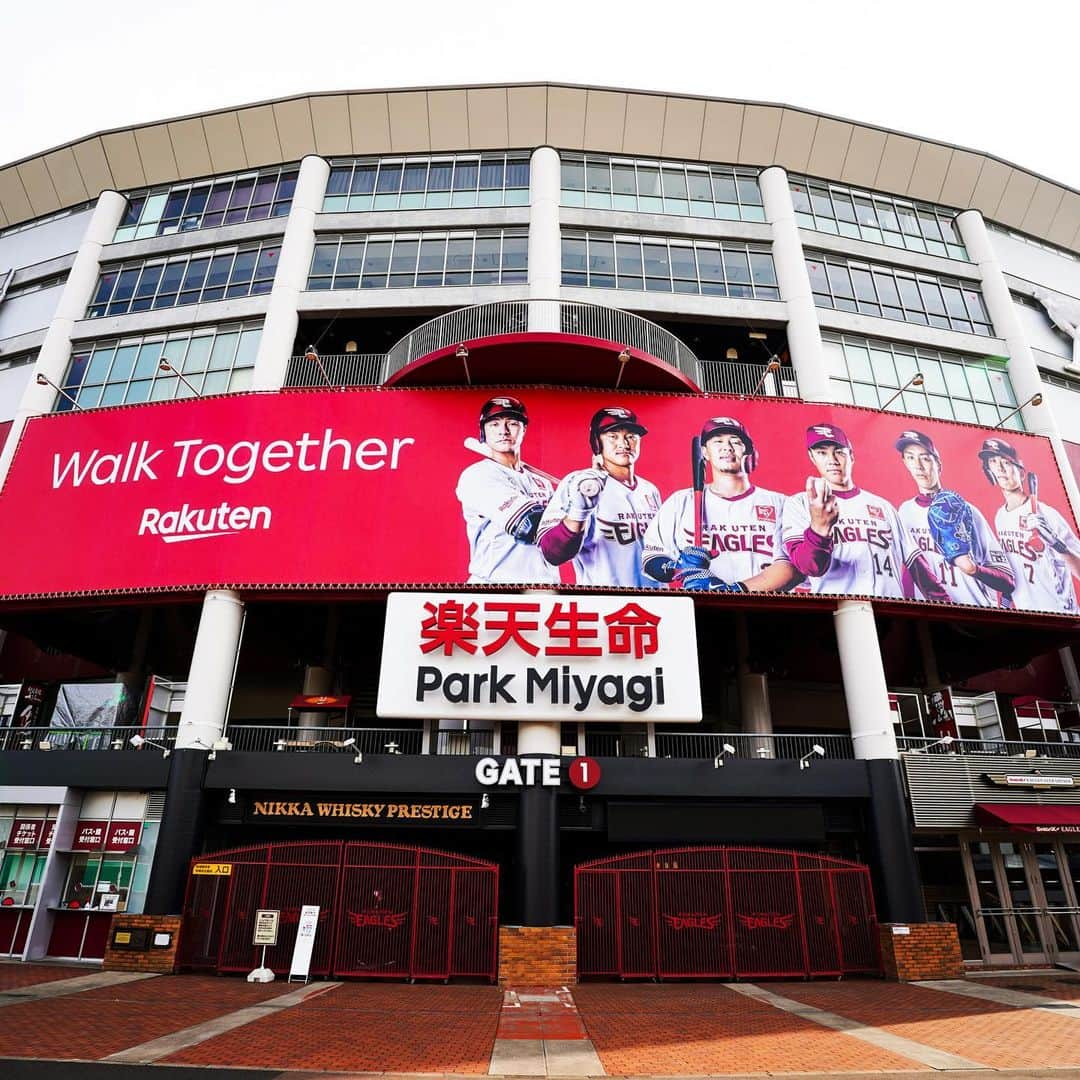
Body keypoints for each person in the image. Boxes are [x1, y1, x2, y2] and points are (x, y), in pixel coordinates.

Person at [782, 423, 947, 601]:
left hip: (891, 611)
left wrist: (948, 607)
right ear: (812, 457)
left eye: (839, 451)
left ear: (851, 455)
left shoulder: (883, 506)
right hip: (842, 613)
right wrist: (819, 529)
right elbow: (810, 567)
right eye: (822, 452)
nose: (832, 460)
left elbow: (918, 565)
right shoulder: (799, 504)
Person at [642, 416, 800, 592]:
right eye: (718, 441)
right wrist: (677, 567)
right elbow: (651, 559)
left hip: (770, 606)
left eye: (735, 442)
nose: (727, 447)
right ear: (704, 452)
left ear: (747, 451)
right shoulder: (681, 502)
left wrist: (731, 590)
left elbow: (795, 568)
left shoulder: (780, 504)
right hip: (703, 607)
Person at [537, 407, 662, 587]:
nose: (624, 443)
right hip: (605, 602)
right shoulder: (578, 483)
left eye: (631, 436)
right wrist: (578, 513)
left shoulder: (650, 490)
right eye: (613, 436)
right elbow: (552, 553)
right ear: (597, 442)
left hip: (659, 603)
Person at [894, 429, 1014, 607]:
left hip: (975, 610)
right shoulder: (905, 511)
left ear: (938, 464)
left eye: (925, 458)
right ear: (905, 462)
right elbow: (909, 571)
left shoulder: (968, 511)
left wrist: (973, 569)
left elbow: (1007, 581)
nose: (918, 465)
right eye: (911, 457)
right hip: (930, 614)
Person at [455, 396, 557, 585]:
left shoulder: (542, 482)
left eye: (512, 423)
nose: (503, 431)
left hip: (544, 586)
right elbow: (527, 526)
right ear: (483, 431)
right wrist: (573, 503)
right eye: (494, 424)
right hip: (494, 586)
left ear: (524, 429)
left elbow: (560, 543)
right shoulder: (478, 475)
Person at [980, 436, 1080, 614]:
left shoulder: (1046, 514)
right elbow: (1013, 569)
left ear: (1021, 472)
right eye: (994, 462)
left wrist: (1057, 544)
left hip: (1060, 612)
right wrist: (1004, 603)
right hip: (1027, 613)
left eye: (1006, 462)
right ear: (989, 472)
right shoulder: (1000, 517)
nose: (1001, 468)